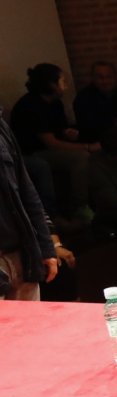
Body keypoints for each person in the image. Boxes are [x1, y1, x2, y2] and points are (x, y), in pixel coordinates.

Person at [10, 63, 94, 220]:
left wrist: (67, 132)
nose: (66, 86)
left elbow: (58, 128)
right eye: (63, 81)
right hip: (30, 152)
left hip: (46, 149)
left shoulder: (55, 103)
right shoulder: (31, 106)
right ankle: (78, 207)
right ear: (51, 84)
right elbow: (51, 143)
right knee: (81, 157)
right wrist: (88, 147)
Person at [0, 116, 58, 300]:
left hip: (21, 253)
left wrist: (46, 247)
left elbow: (27, 191)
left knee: (33, 319)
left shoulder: (1, 127)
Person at [73, 61, 117, 144]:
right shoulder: (83, 98)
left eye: (109, 77)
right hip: (97, 142)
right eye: (100, 77)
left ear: (115, 77)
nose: (105, 81)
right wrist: (114, 123)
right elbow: (87, 127)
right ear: (93, 78)